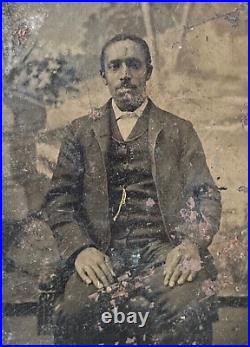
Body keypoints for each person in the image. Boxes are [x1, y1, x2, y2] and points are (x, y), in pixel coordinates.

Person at [46, 34, 222, 344]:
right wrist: (80, 249)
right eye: (115, 66)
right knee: (75, 312)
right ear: (104, 76)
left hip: (163, 252)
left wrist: (191, 243)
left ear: (148, 72)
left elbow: (205, 194)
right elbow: (60, 200)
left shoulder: (179, 130)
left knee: (188, 306)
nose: (125, 74)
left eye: (134, 65)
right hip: (102, 252)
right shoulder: (79, 131)